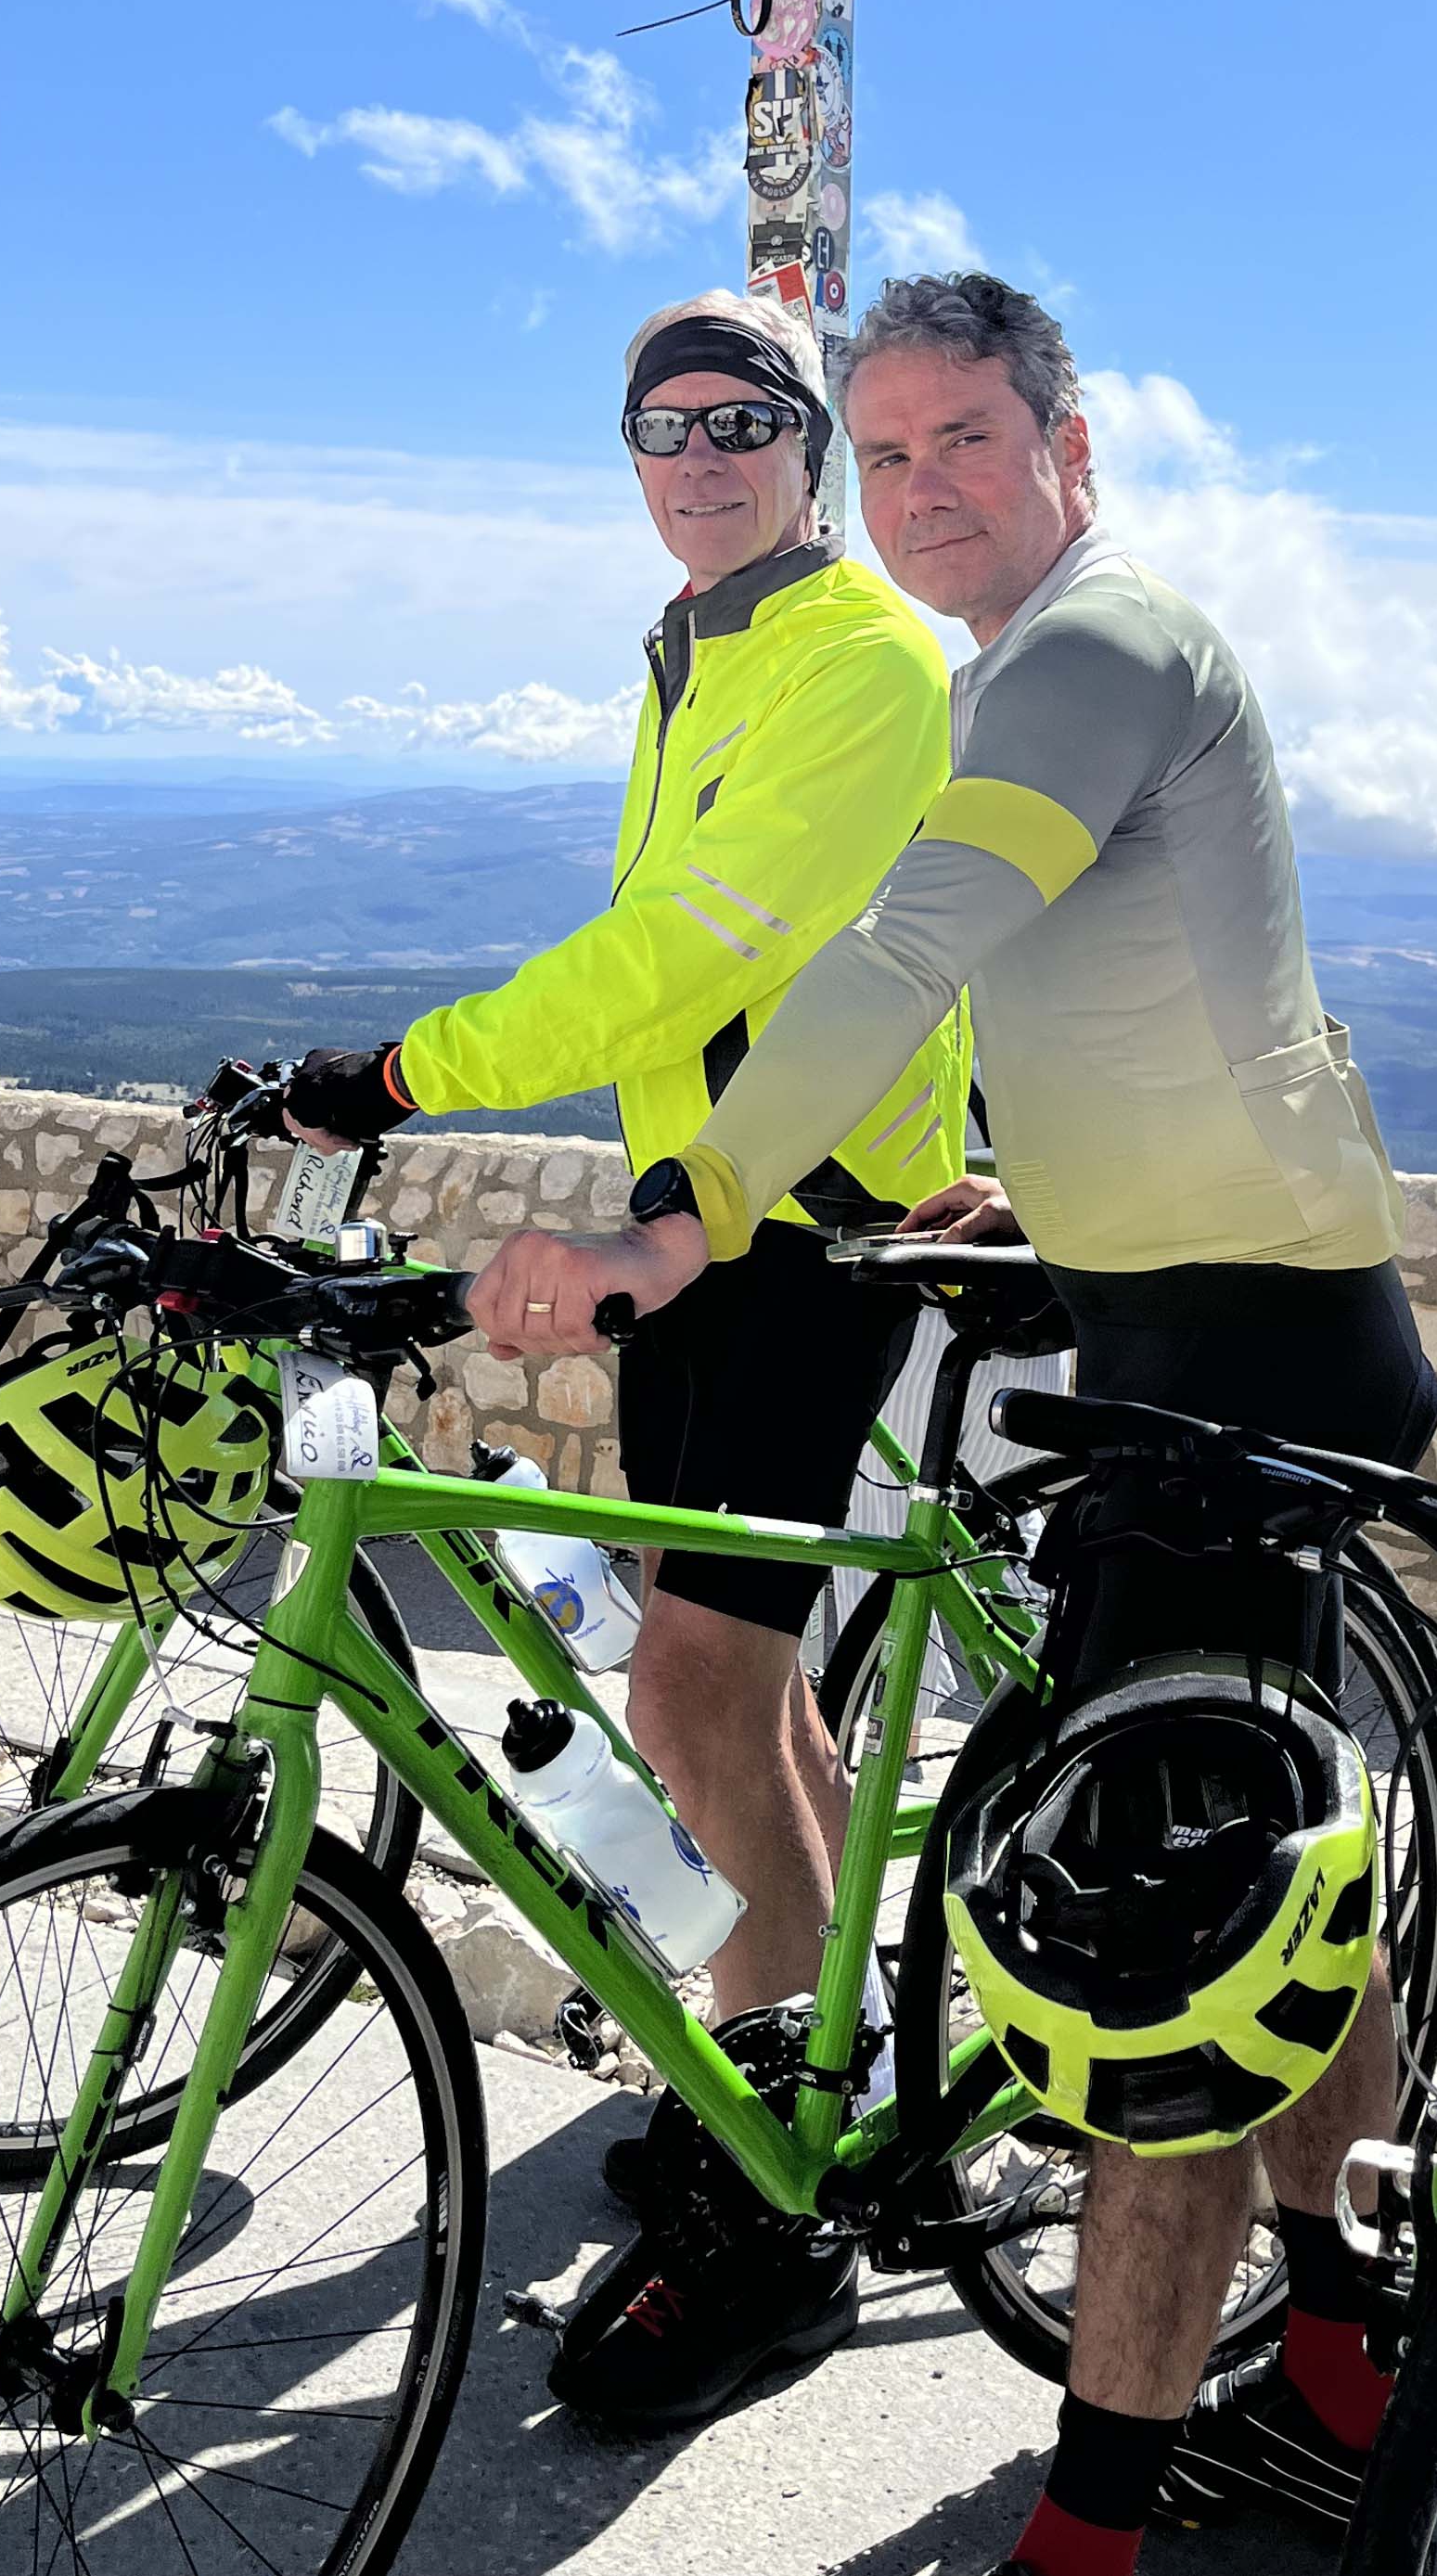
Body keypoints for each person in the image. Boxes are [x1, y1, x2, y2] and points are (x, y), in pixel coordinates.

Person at [468, 271, 1437, 2525]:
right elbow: (1062, 975)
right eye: (886, 451)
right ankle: (1340, 2302)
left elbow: (901, 944)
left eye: (960, 442)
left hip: (1253, 1342)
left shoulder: (1092, 648)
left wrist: (668, 1217)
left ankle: (1163, 2457)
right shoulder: (1014, 668)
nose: (919, 489)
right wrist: (1028, 1162)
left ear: (1066, 448)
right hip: (1168, 1310)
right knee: (1257, 1877)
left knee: (1169, 1942)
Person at [282, 287, 968, 2043]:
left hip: (807, 1224)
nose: (697, 457)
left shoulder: (860, 659)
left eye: (739, 421)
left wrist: (394, 1076)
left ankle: (768, 2119)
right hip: (697, 1222)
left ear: (808, 448)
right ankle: (819, 2038)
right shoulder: (696, 647)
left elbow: (681, 947)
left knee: (689, 1677)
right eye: (660, 429)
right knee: (722, 1671)